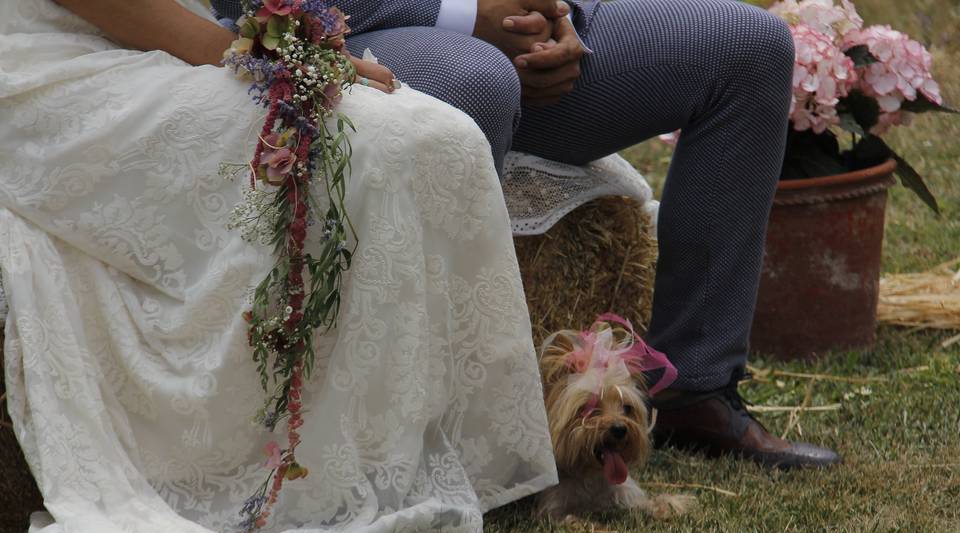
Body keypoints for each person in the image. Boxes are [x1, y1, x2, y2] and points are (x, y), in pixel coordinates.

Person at [0, 0, 557, 533]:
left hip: (182, 44)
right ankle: (295, 464)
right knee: (393, 139)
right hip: (57, 65)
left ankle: (430, 446)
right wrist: (278, 64)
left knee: (438, 137)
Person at [218, 0, 844, 468]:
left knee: (750, 47)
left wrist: (549, 12)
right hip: (358, 31)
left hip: (514, 29)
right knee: (477, 78)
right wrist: (466, 13)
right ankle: (446, 428)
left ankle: (695, 388)